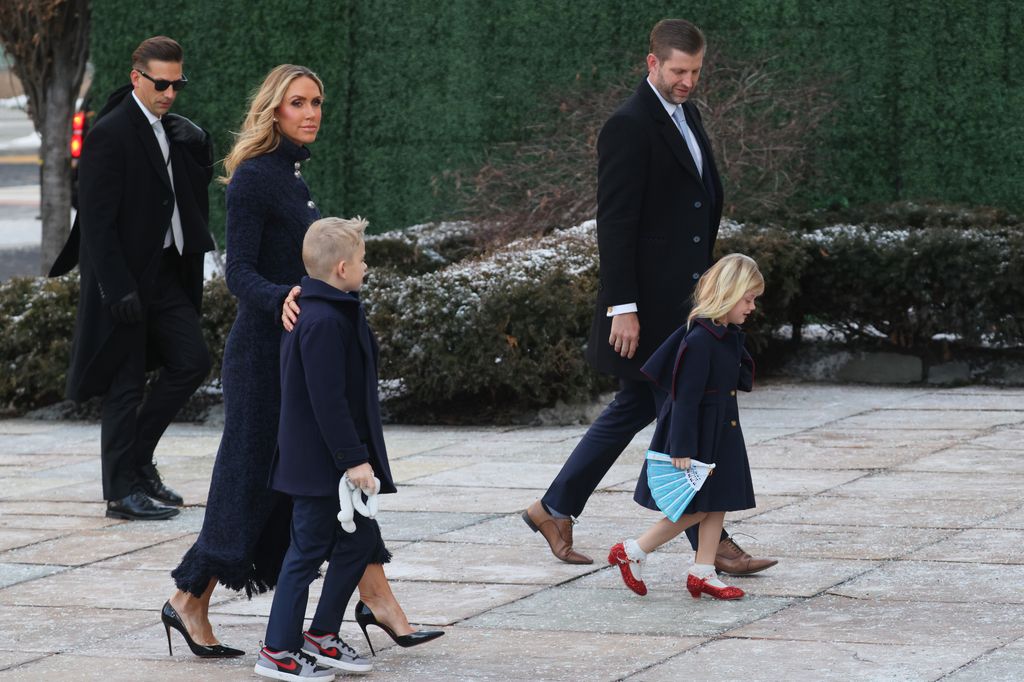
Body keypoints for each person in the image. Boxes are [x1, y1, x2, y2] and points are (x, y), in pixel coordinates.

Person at [164, 64, 436, 659]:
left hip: (296, 353)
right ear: (274, 110)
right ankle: (190, 596)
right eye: (297, 103)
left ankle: (378, 595)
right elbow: (238, 272)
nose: (310, 112)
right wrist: (281, 295)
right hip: (264, 360)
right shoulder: (256, 179)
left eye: (316, 101)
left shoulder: (289, 175)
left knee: (326, 480)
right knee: (246, 487)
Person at [522, 19, 776, 575]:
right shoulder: (628, 125)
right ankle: (712, 545)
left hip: (683, 303)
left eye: (696, 71)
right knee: (692, 416)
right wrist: (622, 306)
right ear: (652, 64)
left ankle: (554, 507)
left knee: (638, 406)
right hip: (649, 308)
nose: (688, 81)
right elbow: (615, 223)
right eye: (678, 71)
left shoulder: (688, 115)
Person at [50, 36, 215, 521]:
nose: (168, 92)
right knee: (124, 388)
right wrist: (116, 287)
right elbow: (96, 222)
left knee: (192, 361)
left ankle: (137, 461)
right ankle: (121, 492)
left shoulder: (169, 126)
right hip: (121, 282)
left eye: (176, 84)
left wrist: (200, 146)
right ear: (136, 77)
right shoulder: (111, 131)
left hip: (163, 274)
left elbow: (184, 192)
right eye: (160, 84)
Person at [256, 216, 396, 680]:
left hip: (333, 461)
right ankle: (277, 650)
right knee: (307, 550)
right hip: (320, 465)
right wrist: (353, 459)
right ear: (341, 268)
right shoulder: (321, 322)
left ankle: (321, 636)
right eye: (361, 260)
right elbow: (326, 401)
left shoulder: (330, 310)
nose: (366, 266)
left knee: (358, 543)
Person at [609, 253, 763, 600]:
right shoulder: (700, 340)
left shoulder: (724, 335)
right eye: (748, 299)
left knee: (717, 499)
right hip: (698, 436)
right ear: (728, 292)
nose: (752, 307)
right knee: (694, 506)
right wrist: (681, 446)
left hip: (722, 431)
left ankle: (703, 570)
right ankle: (633, 550)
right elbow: (684, 398)